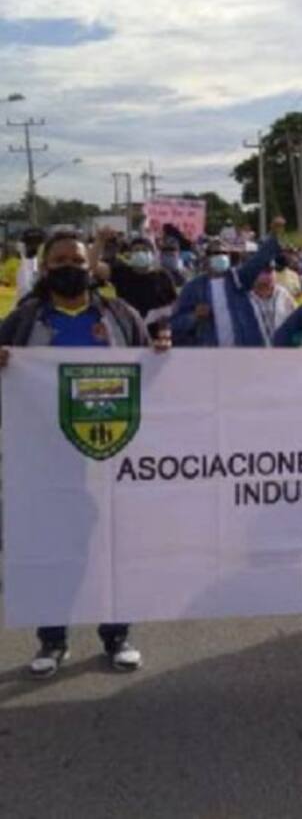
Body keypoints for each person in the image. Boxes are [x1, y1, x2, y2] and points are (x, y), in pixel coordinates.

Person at [0, 227, 171, 678]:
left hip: (112, 453)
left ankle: (117, 635)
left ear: (90, 265)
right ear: (44, 268)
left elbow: (151, 374)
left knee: (112, 548)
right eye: (59, 262)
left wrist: (161, 353)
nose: (70, 268)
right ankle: (52, 639)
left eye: (77, 260)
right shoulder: (25, 320)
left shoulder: (119, 315)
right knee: (55, 546)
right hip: (48, 457)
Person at [170, 217, 285, 347]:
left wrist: (274, 235)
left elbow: (259, 260)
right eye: (215, 253)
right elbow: (174, 325)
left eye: (224, 253)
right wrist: (194, 316)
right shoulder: (193, 288)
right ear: (206, 258)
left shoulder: (238, 279)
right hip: (209, 354)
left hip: (242, 352)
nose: (220, 256)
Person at [91, 230, 178, 333]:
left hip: (155, 331)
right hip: (127, 328)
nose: (140, 253)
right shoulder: (121, 272)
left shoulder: (163, 276)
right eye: (136, 250)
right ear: (130, 254)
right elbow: (94, 266)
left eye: (144, 250)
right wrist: (99, 241)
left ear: (153, 254)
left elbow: (174, 304)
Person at [249, 261, 297, 344]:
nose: (270, 275)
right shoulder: (244, 297)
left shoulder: (283, 294)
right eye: (265, 271)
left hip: (281, 348)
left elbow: (296, 322)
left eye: (272, 271)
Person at [15, 227, 45, 299]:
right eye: (30, 243)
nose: (33, 246)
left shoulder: (49, 266)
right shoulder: (15, 264)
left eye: (37, 243)